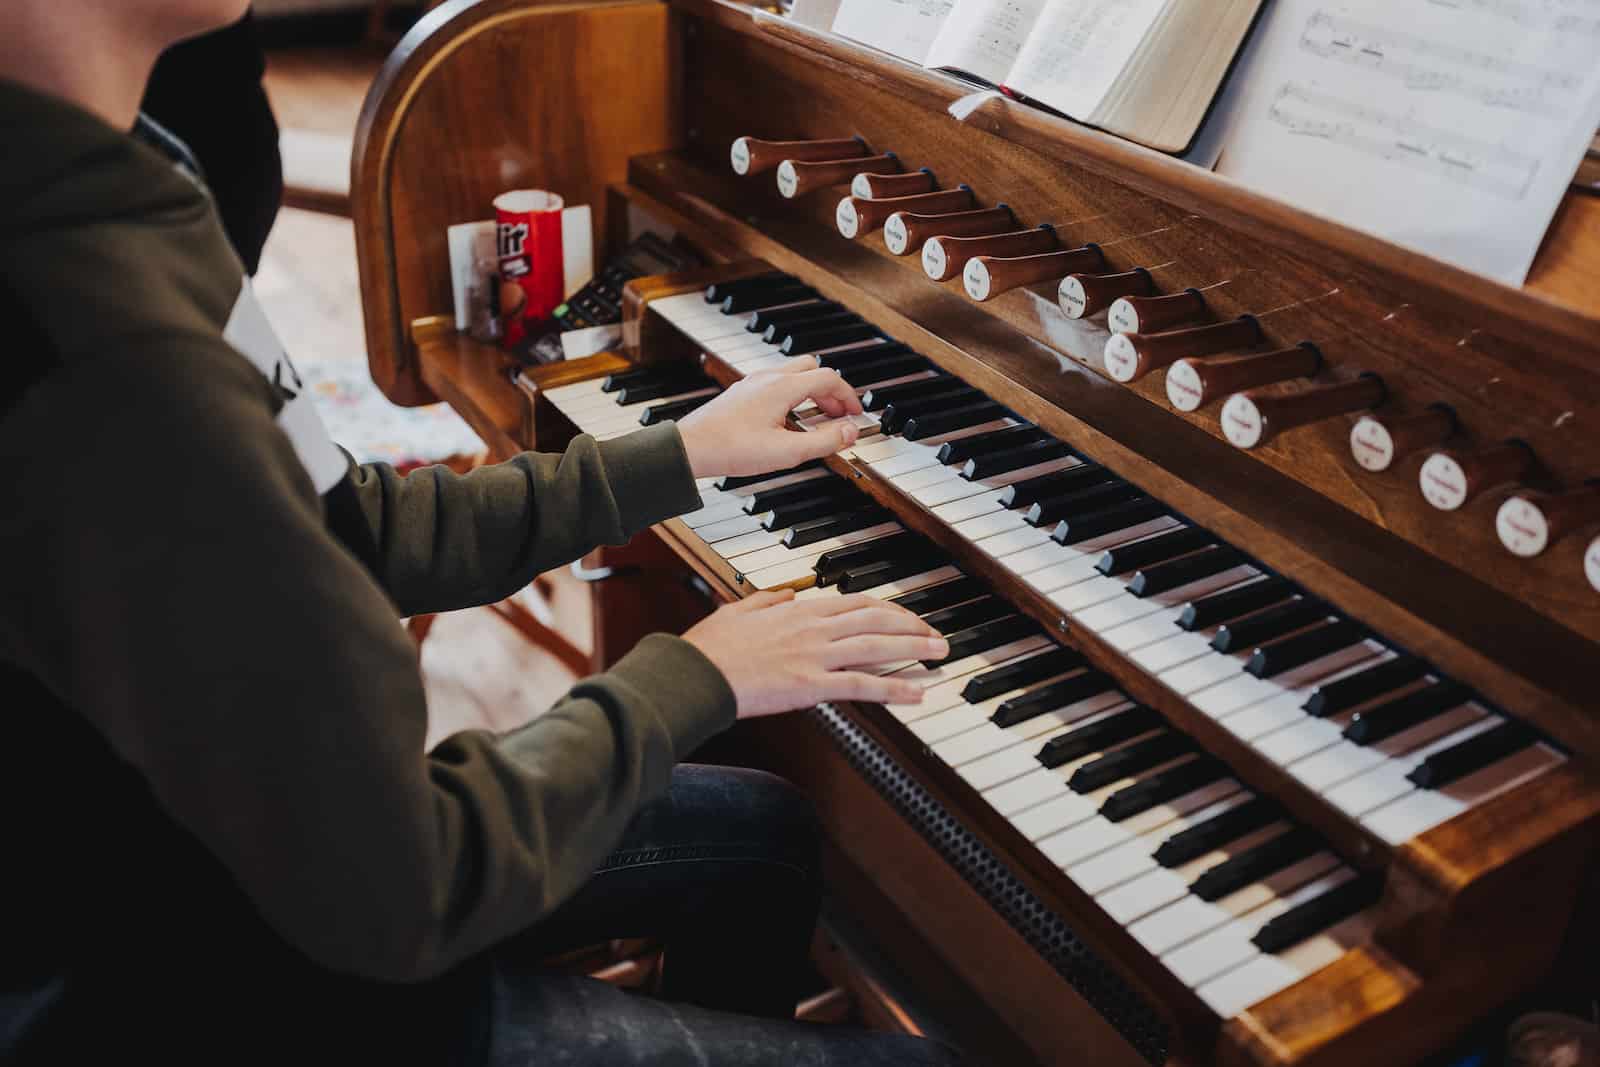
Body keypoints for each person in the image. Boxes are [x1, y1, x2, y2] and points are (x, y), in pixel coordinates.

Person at [0, 2, 965, 1064]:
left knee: (765, 835)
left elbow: (350, 521)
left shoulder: (133, 174)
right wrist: (700, 674)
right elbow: (404, 885)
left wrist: (681, 451)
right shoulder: (106, 351)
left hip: (263, 877)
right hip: (233, 987)